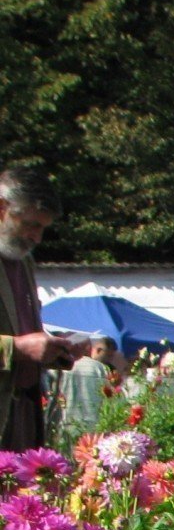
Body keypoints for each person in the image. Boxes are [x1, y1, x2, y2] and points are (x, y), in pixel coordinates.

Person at [0, 167, 75, 450]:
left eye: (42, 228)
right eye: (31, 224)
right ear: (2, 208)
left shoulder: (23, 261)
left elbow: (25, 335)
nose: (37, 238)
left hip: (21, 415)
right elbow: (19, 344)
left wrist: (57, 350)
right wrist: (18, 348)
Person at [57, 335, 118, 436]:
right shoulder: (99, 368)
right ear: (98, 350)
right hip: (92, 424)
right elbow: (110, 399)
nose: (110, 360)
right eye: (108, 355)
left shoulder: (62, 365)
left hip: (65, 421)